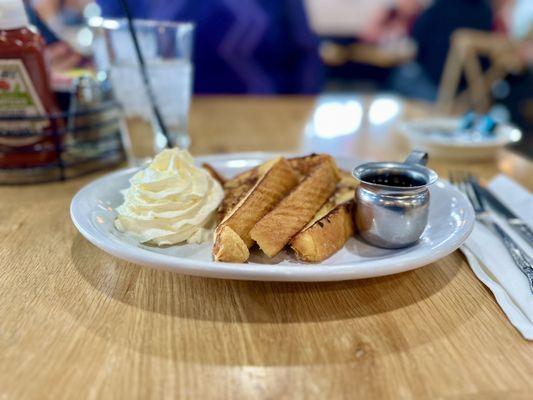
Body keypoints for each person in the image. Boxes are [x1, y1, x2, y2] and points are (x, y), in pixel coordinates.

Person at [97, 0, 323, 94]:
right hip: (170, 124)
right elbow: (110, 43)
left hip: (270, 120)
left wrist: (300, 112)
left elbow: (305, 54)